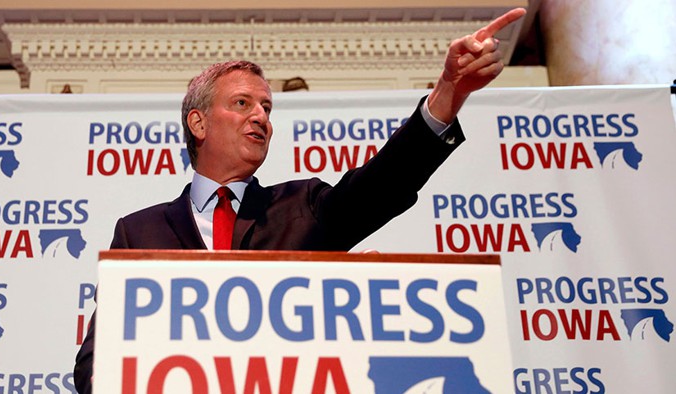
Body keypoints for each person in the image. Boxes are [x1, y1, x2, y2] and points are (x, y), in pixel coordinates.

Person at [74, 8, 526, 393]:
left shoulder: (302, 206)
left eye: (267, 108)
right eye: (243, 104)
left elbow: (381, 186)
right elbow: (94, 367)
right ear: (198, 122)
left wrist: (448, 92)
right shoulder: (139, 231)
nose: (261, 117)